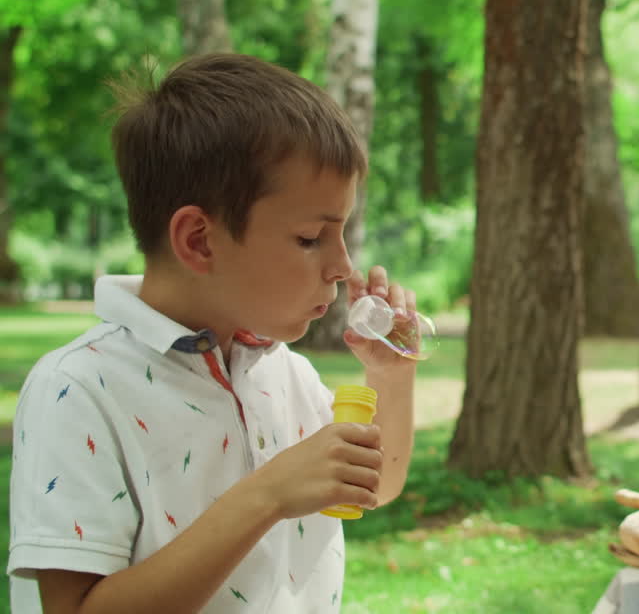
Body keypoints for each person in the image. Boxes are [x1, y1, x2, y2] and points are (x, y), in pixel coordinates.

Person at [6, 53, 419, 613]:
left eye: (341, 233)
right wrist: (268, 495)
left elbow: (377, 483)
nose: (343, 267)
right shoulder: (78, 390)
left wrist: (387, 376)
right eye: (309, 238)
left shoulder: (282, 371)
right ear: (199, 240)